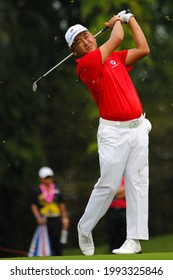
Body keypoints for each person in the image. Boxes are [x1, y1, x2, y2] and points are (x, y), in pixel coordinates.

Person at [65, 10, 152, 255]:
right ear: (75, 52)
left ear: (92, 35)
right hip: (113, 134)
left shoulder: (114, 58)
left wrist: (132, 18)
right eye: (78, 42)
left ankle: (134, 240)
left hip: (138, 128)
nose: (85, 41)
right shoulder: (85, 65)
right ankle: (85, 226)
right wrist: (117, 22)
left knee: (137, 183)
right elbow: (115, 38)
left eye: (85, 36)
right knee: (110, 185)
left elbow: (143, 49)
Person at [31, 167, 69, 256]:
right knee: (45, 241)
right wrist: (38, 217)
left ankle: (58, 258)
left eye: (49, 177)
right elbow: (34, 205)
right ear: (41, 178)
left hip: (56, 218)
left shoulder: (57, 189)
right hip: (44, 219)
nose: (48, 179)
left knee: (57, 240)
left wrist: (65, 218)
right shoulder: (37, 190)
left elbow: (61, 204)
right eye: (45, 178)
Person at [106, 178, 126, 252]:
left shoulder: (126, 179)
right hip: (112, 210)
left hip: (124, 209)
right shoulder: (109, 178)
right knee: (113, 233)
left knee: (124, 232)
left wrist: (114, 192)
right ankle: (113, 250)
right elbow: (107, 192)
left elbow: (126, 192)